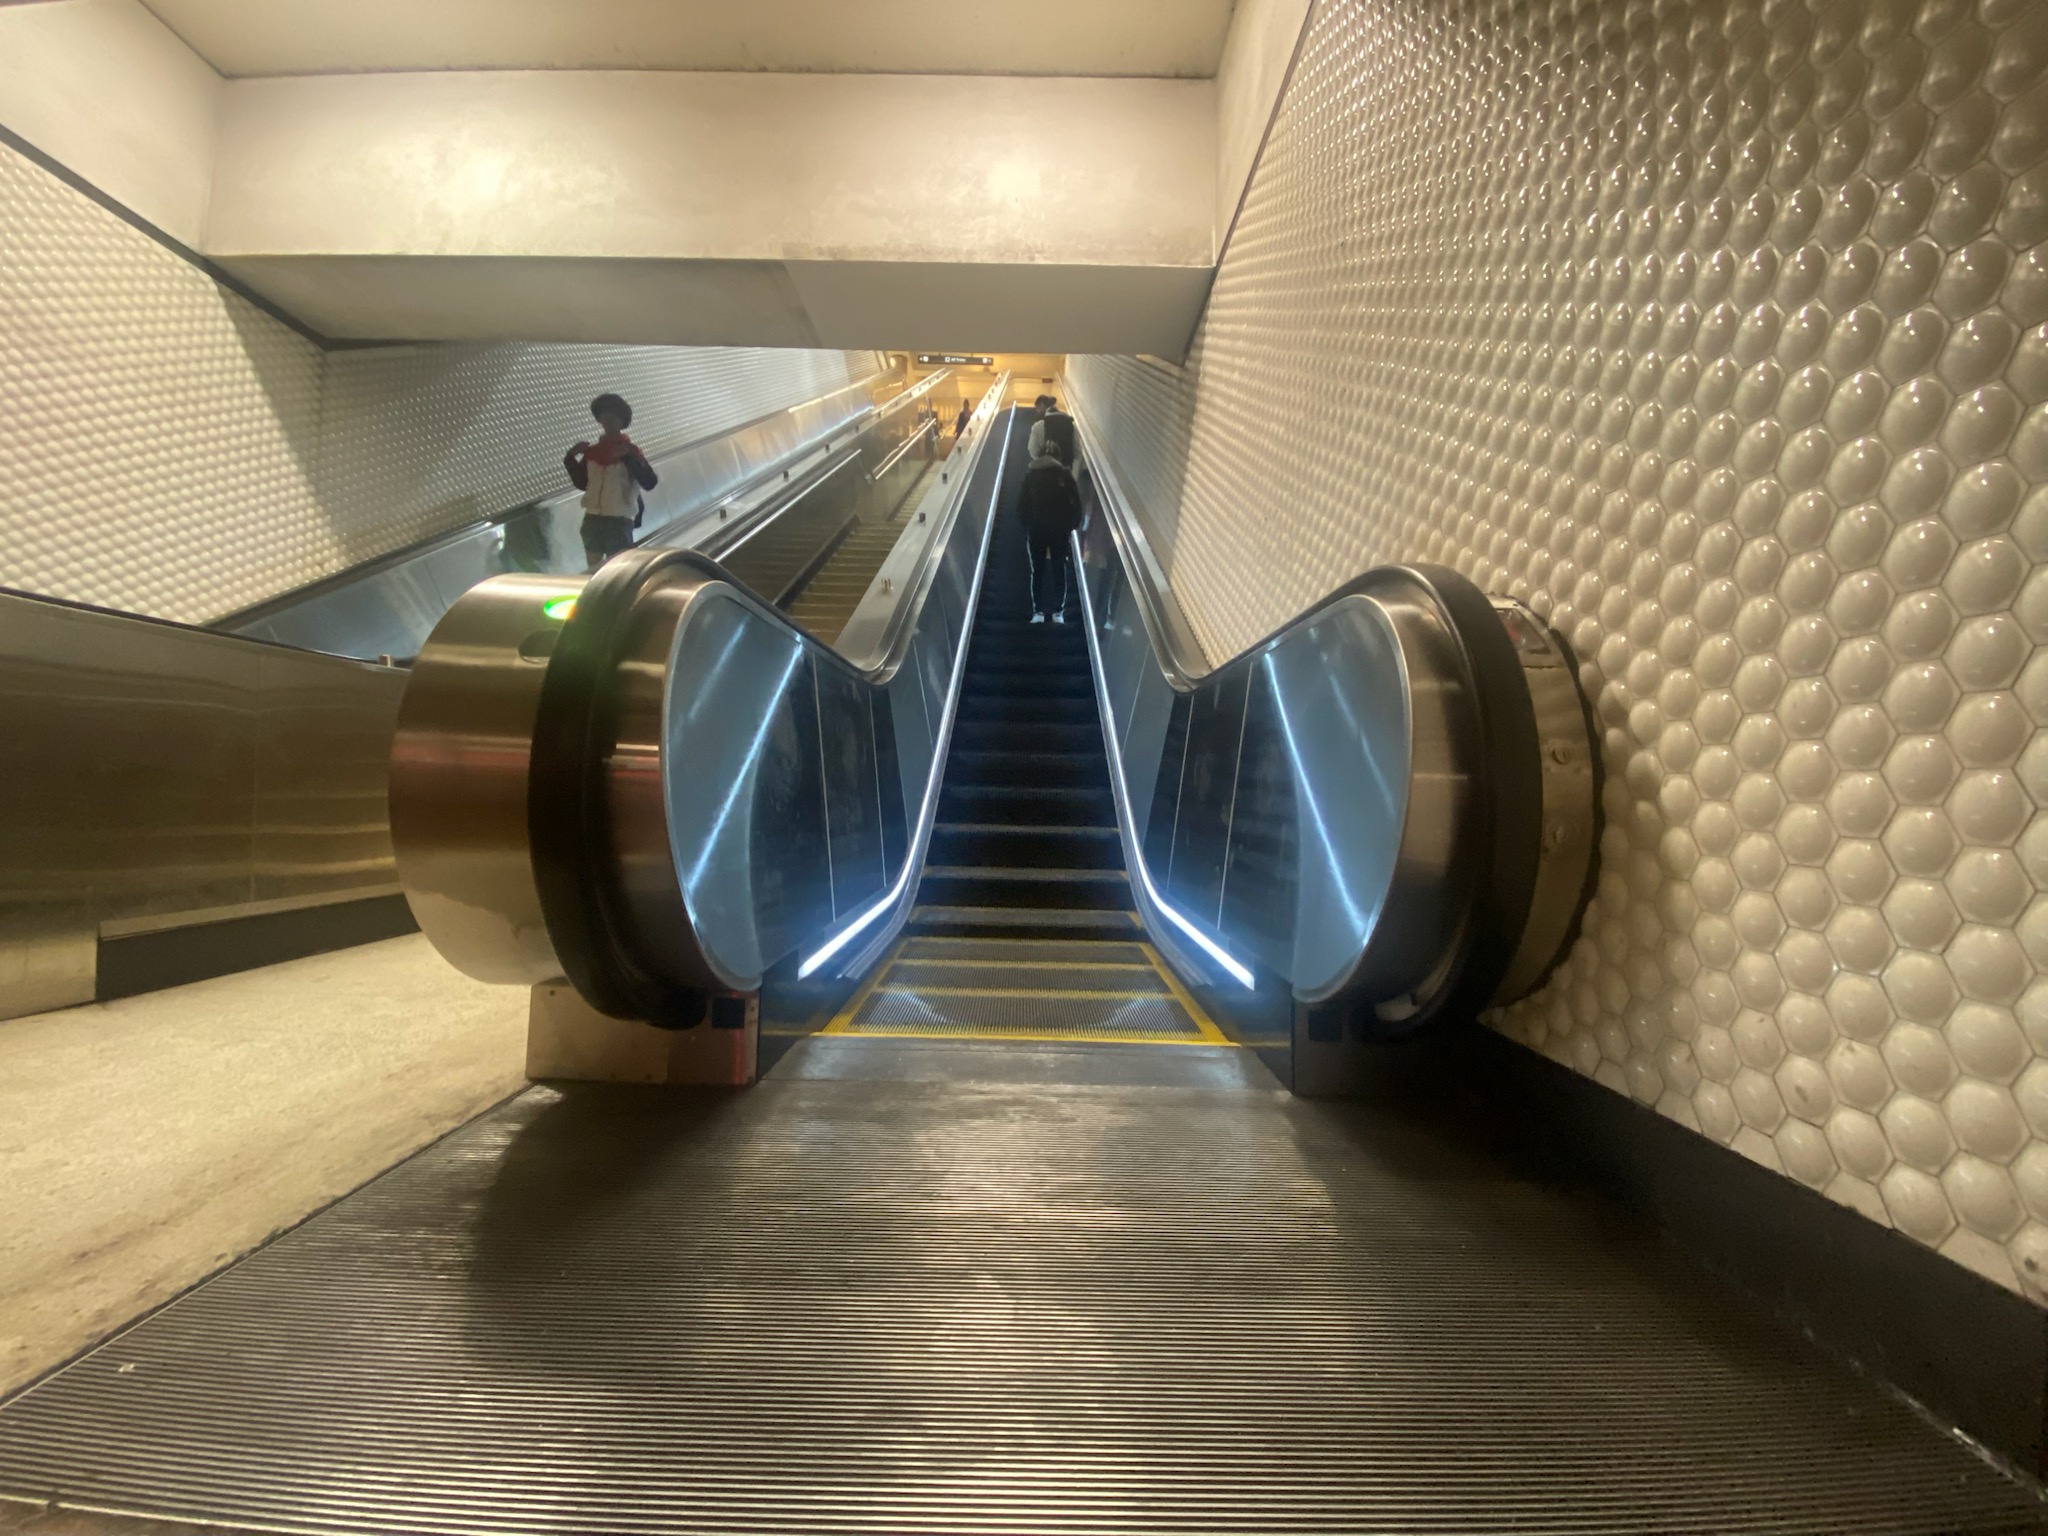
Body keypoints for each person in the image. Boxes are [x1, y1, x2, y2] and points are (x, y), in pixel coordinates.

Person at [563, 393, 658, 571]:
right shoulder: (592, 453)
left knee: (619, 569)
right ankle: (597, 595)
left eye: (613, 415)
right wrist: (570, 458)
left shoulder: (630, 451)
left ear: (622, 420)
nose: (608, 420)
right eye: (603, 415)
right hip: (593, 517)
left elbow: (649, 481)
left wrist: (629, 458)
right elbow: (584, 483)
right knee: (594, 569)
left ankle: (616, 597)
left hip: (619, 519)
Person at [1018, 437, 1085, 624]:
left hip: (1037, 530)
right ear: (1058, 456)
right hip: (1059, 531)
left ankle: (1038, 612)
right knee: (1059, 569)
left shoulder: (1030, 475)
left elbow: (1021, 505)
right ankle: (1058, 612)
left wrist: (1028, 525)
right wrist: (1071, 524)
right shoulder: (1064, 474)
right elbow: (1076, 504)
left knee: (1037, 570)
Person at [1028, 396, 1076, 464]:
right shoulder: (1069, 423)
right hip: (1065, 467)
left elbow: (1032, 449)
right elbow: (1077, 451)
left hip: (1046, 467)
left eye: (1037, 408)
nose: (1037, 411)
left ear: (1041, 404)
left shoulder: (1038, 426)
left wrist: (1041, 461)